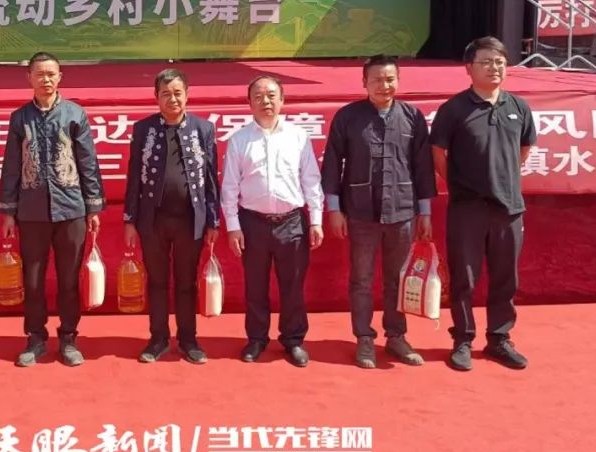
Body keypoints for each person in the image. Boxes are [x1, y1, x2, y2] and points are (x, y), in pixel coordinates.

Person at [321, 55, 436, 369]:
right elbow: (332, 163)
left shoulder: (412, 117)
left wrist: (424, 211)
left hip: (402, 211)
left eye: (389, 79)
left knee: (397, 278)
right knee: (361, 279)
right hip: (360, 212)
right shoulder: (348, 117)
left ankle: (396, 336)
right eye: (377, 80)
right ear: (364, 83)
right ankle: (364, 338)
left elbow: (423, 167)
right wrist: (334, 208)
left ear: (398, 80)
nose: (384, 85)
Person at [431, 36, 537, 371]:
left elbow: (524, 148)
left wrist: (503, 179)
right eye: (486, 62)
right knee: (464, 277)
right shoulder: (454, 109)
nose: (494, 68)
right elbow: (438, 153)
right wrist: (461, 184)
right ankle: (463, 338)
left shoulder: (518, 107)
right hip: (468, 208)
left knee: (506, 277)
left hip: (508, 208)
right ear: (469, 68)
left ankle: (499, 338)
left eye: (500, 62)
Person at [0, 52, 105, 368]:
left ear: (60, 77)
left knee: (69, 280)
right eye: (39, 74)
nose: (45, 79)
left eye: (51, 74)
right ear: (29, 78)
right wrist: (8, 212)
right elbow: (11, 166)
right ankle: (35, 338)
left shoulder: (74, 114)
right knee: (32, 280)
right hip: (31, 213)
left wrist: (93, 207)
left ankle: (69, 337)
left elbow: (87, 162)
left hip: (71, 209)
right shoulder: (20, 118)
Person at [221, 75, 324, 367]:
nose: (265, 101)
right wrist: (233, 227)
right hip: (253, 222)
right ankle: (256, 339)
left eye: (271, 96)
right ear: (249, 103)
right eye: (258, 96)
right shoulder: (239, 140)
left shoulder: (298, 137)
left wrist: (316, 220)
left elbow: (311, 180)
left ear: (282, 100)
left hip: (291, 222)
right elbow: (229, 187)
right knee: (255, 285)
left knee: (293, 286)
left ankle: (293, 340)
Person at [124, 69, 220, 364]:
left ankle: (189, 340)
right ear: (156, 97)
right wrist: (129, 220)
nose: (172, 99)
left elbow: (211, 177)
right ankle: (158, 339)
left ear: (187, 95)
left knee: (186, 282)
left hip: (190, 220)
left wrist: (213, 220)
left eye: (177, 93)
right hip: (153, 219)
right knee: (157, 281)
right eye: (165, 93)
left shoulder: (203, 129)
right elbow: (133, 177)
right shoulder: (143, 129)